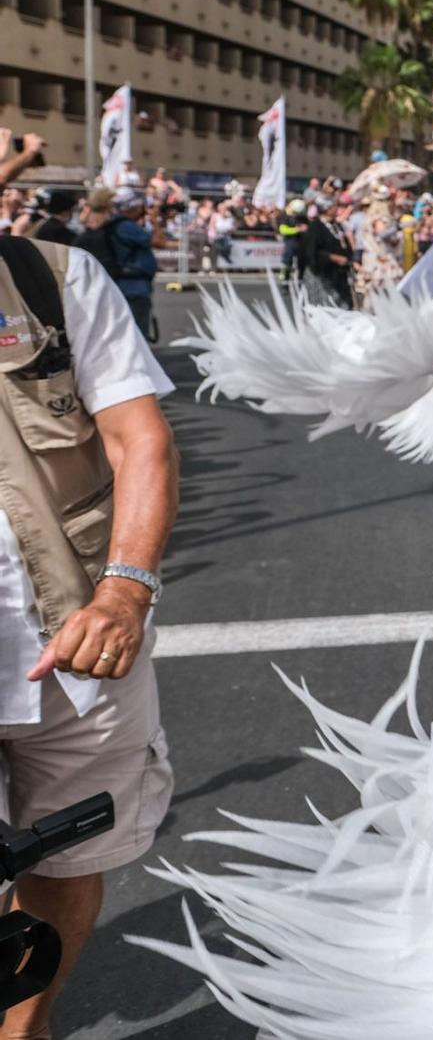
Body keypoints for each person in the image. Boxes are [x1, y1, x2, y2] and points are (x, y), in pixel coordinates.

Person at [0, 232, 177, 1038]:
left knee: (67, 864)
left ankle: (26, 1029)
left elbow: (139, 438)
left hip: (73, 640)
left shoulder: (54, 278)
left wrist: (124, 591)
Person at [75, 188, 161, 339]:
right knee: (138, 336)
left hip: (115, 286)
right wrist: (153, 218)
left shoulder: (100, 226)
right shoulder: (124, 226)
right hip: (135, 288)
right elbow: (159, 241)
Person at [297, 203, 354, 308]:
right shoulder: (315, 227)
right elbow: (310, 251)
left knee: (343, 305)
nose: (336, 209)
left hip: (337, 274)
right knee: (324, 305)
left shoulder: (336, 226)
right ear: (326, 209)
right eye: (333, 207)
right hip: (321, 274)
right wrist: (331, 257)